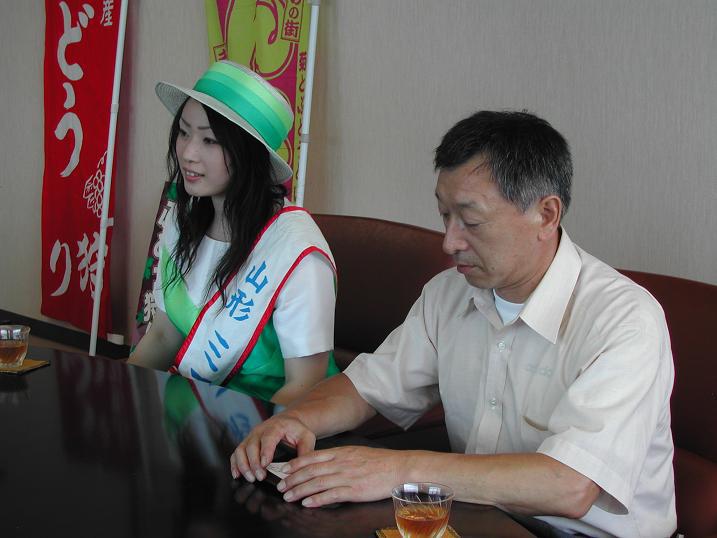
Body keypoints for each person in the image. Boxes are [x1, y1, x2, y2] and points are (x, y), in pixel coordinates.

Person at [229, 111, 676, 537]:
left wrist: (399, 470)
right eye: (445, 215)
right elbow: (368, 387)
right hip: (482, 519)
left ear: (546, 214)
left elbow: (571, 486)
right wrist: (297, 419)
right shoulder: (448, 294)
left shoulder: (624, 320)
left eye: (471, 221)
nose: (449, 241)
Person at [129, 61, 339, 406]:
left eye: (210, 140)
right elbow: (164, 336)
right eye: (184, 132)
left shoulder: (298, 252)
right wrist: (120, 394)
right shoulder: (183, 220)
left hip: (266, 424)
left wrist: (248, 438)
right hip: (193, 415)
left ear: (249, 155)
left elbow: (305, 386)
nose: (188, 153)